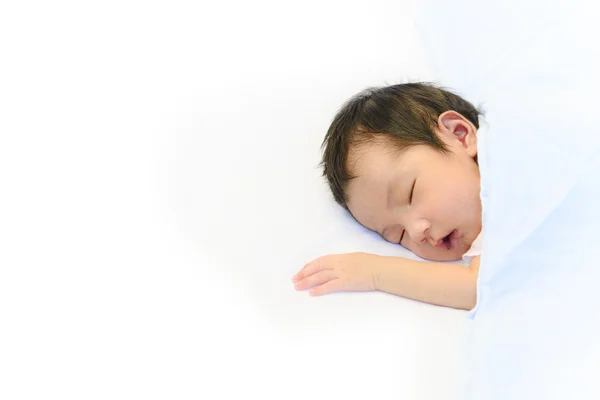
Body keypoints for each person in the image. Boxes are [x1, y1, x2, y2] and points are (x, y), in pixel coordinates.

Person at [292, 83, 483, 310]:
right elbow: (480, 286)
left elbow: (478, 288)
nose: (415, 231)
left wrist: (376, 272)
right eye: (399, 236)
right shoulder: (492, 236)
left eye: (411, 193)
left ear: (459, 136)